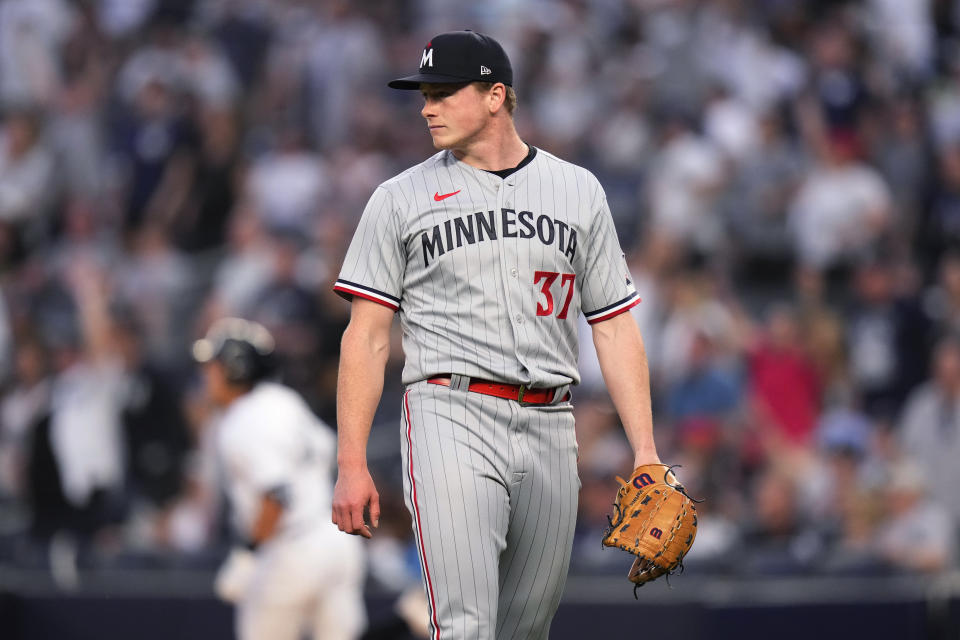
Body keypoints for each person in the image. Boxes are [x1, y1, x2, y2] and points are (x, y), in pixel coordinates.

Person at [331, 30, 661, 640]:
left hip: (551, 423)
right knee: (464, 626)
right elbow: (367, 337)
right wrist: (351, 460)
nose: (427, 106)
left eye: (443, 92)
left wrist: (645, 450)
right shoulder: (398, 199)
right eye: (424, 93)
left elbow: (613, 324)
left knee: (523, 630)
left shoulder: (578, 190)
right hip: (449, 411)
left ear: (495, 96)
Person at [193, 317, 365, 640]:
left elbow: (277, 495)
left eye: (213, 366)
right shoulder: (283, 400)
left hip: (288, 551)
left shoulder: (240, 420)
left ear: (236, 367)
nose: (207, 375)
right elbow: (327, 451)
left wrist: (246, 556)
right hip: (335, 541)